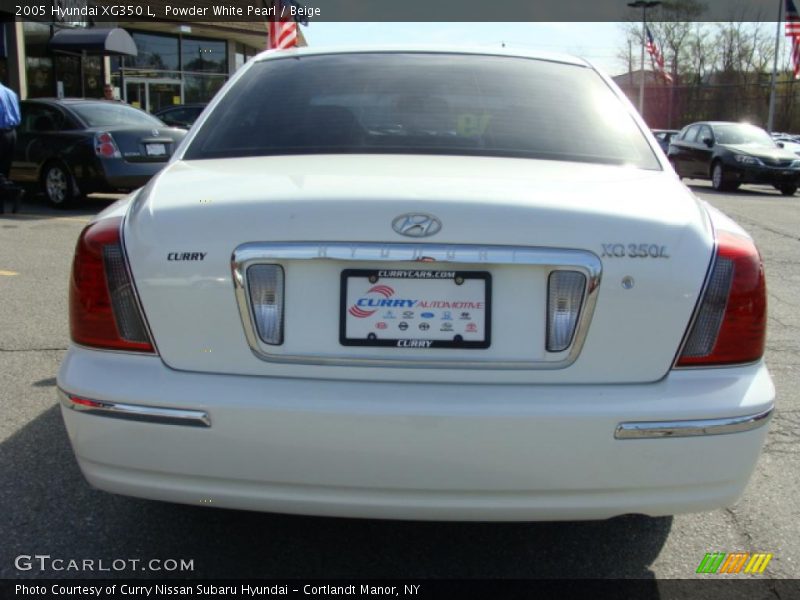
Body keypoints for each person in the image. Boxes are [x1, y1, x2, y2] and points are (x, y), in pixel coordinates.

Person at [0, 81, 23, 214]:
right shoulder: (10, 93)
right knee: (4, 171)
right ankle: (10, 195)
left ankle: (3, 204)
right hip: (12, 132)